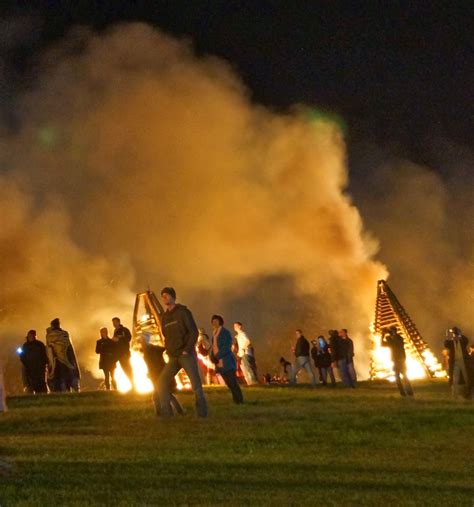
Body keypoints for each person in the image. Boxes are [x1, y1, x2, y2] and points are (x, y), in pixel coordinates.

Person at [157, 287, 208, 418]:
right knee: (161, 382)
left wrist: (186, 350)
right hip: (173, 356)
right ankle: (167, 413)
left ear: (173, 297)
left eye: (167, 295)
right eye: (163, 296)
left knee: (195, 384)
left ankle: (202, 413)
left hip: (186, 355)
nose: (164, 298)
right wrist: (168, 350)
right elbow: (165, 335)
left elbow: (193, 332)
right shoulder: (164, 317)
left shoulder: (183, 312)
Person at [138, 334, 184, 416]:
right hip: (154, 374)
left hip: (159, 374)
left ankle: (162, 413)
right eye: (141, 341)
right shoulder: (144, 350)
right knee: (164, 393)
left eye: (143, 340)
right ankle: (178, 411)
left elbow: (163, 350)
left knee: (160, 395)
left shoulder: (154, 349)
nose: (141, 342)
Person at [211, 315, 244, 404]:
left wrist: (217, 356)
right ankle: (236, 400)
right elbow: (213, 347)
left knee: (232, 382)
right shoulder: (214, 333)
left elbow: (226, 347)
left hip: (226, 361)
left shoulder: (225, 332)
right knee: (229, 384)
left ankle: (239, 400)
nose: (214, 323)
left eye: (216, 321)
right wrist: (212, 357)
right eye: (213, 321)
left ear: (220, 322)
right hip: (219, 363)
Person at [46, 318, 80, 392]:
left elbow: (49, 349)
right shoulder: (64, 334)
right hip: (63, 361)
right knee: (65, 377)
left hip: (58, 361)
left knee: (62, 378)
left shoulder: (51, 335)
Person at [381, 326, 414, 397]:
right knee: (397, 378)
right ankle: (402, 393)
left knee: (405, 377)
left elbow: (396, 344)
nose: (391, 332)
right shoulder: (390, 339)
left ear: (395, 331)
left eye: (392, 331)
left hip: (401, 360)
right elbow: (382, 345)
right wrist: (382, 335)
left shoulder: (400, 338)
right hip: (395, 361)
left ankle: (409, 392)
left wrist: (392, 336)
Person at [444, 326, 471, 400]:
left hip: (463, 362)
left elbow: (466, 340)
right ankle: (454, 395)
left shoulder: (462, 342)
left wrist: (460, 334)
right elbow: (445, 344)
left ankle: (468, 393)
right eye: (454, 335)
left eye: (456, 335)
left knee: (467, 377)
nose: (455, 336)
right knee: (455, 378)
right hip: (456, 363)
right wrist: (447, 335)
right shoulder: (450, 343)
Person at [112, 317, 133, 386]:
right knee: (124, 369)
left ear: (118, 322)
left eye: (115, 322)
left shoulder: (124, 330)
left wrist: (119, 339)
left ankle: (133, 384)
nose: (114, 324)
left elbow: (129, 338)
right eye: (113, 323)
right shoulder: (115, 331)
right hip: (119, 354)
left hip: (125, 353)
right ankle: (131, 384)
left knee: (128, 368)